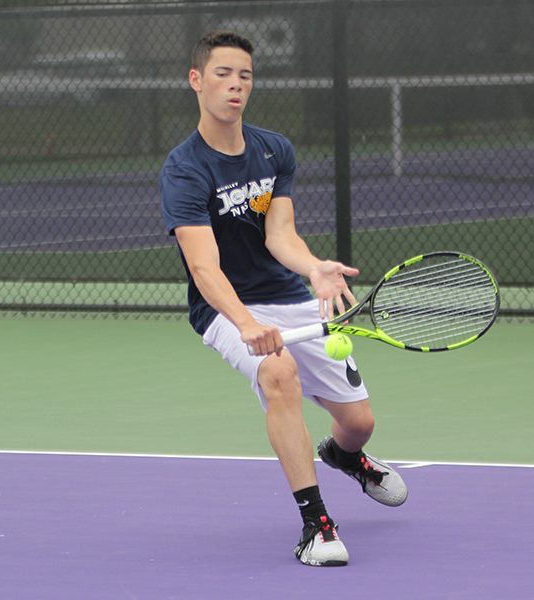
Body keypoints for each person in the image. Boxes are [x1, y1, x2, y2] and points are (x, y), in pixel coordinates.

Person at [159, 31, 407, 567]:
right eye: (223, 74)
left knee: (360, 421)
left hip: (288, 297)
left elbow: (280, 236)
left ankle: (345, 456)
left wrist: (315, 268)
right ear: (196, 81)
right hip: (226, 308)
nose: (235, 86)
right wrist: (246, 323)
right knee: (278, 374)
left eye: (244, 76)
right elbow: (203, 266)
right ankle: (316, 526)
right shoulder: (185, 169)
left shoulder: (274, 150)